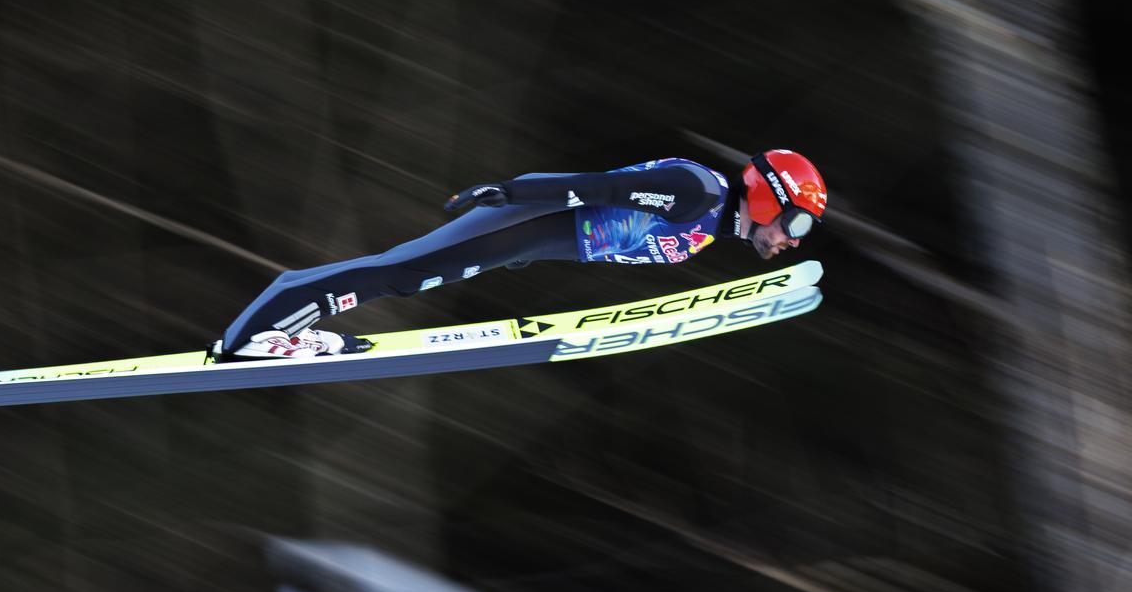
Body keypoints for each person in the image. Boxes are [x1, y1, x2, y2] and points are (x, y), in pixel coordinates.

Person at [210, 150, 827, 360]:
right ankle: (259, 331)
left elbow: (597, 227)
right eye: (797, 220)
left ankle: (281, 328)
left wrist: (521, 251)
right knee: (403, 273)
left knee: (405, 276)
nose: (793, 238)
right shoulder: (700, 193)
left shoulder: (712, 223)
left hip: (523, 236)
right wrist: (511, 193)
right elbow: (602, 187)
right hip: (521, 215)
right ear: (768, 196)